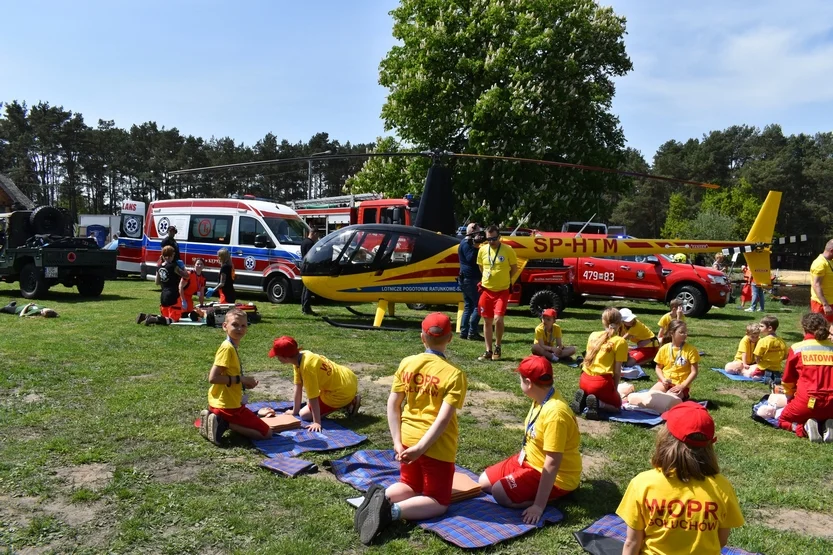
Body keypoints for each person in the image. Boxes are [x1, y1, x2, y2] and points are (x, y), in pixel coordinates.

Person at [353, 312, 467, 545]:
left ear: (422, 337)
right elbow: (443, 420)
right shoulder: (454, 375)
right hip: (436, 445)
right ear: (450, 338)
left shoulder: (407, 363)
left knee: (410, 485)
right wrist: (422, 448)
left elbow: (393, 404)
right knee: (438, 501)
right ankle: (389, 513)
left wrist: (397, 441)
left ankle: (381, 497)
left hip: (406, 437)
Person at [616, 402, 744, 554]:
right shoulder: (723, 487)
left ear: (665, 438)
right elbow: (721, 540)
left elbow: (632, 542)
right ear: (710, 445)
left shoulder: (643, 483)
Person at [479, 356, 581, 523]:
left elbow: (552, 463)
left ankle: (551, 497)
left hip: (555, 475)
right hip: (529, 459)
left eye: (520, 378)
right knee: (484, 481)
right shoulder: (540, 398)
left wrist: (539, 506)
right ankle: (528, 487)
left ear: (528, 382)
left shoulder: (555, 414)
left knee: (498, 492)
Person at [198, 308, 272, 445]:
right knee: (266, 433)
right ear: (224, 326)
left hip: (219, 403)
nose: (239, 329)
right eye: (235, 325)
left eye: (243, 325)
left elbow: (228, 375)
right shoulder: (227, 348)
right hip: (228, 407)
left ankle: (215, 419)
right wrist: (241, 379)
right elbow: (213, 378)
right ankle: (224, 423)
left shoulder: (231, 346)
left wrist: (244, 383)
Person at [268, 336, 361, 431]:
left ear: (285, 358)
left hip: (341, 392)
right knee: (304, 410)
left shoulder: (307, 369)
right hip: (348, 377)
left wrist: (316, 422)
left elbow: (313, 397)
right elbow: (298, 386)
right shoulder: (302, 355)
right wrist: (294, 411)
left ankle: (349, 402)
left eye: (277, 355)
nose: (276, 357)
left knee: (304, 415)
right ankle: (347, 399)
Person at [778, 312, 833, 442]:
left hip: (807, 402)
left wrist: (790, 396)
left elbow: (788, 379)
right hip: (831, 403)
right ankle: (825, 424)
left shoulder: (797, 348)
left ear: (804, 329)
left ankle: (803, 428)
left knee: (783, 420)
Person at [571, 307, 627, 420]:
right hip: (601, 383)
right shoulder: (620, 342)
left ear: (603, 321)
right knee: (617, 406)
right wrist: (614, 390)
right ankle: (597, 402)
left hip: (584, 379)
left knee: (594, 391)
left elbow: (587, 358)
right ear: (620, 323)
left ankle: (586, 397)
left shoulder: (593, 335)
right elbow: (617, 371)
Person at [476, 225, 518, 361]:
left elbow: (514, 268)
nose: (491, 241)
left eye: (494, 238)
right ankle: (488, 350)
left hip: (502, 291)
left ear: (499, 237)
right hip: (486, 290)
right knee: (487, 321)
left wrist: (505, 279)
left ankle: (498, 346)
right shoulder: (482, 250)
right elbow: (481, 267)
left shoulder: (508, 250)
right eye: (488, 239)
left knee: (498, 319)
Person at [137, 245, 189, 325]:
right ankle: (152, 319)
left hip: (164, 294)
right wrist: (183, 267)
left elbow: (157, 282)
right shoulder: (174, 266)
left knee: (165, 317)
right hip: (173, 294)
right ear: (173, 255)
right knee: (173, 320)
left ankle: (145, 316)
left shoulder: (159, 266)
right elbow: (186, 275)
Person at [652, 320, 699, 401]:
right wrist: (663, 379)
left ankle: (684, 396)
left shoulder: (691, 350)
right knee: (651, 397)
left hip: (680, 385)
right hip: (665, 382)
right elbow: (658, 368)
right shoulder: (664, 348)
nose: (685, 334)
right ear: (672, 333)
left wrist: (683, 386)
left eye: (685, 332)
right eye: (681, 332)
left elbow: (694, 372)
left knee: (667, 401)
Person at [458, 222, 485, 341]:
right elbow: (470, 258)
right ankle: (472, 332)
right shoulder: (466, 244)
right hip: (469, 279)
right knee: (478, 305)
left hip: (466, 279)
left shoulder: (465, 242)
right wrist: (476, 246)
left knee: (468, 306)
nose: (479, 236)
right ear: (472, 232)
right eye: (477, 233)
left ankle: (464, 331)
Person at [751, 315, 786, 379]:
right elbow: (785, 356)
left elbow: (757, 356)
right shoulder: (781, 341)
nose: (759, 328)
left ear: (769, 328)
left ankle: (760, 376)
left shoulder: (763, 341)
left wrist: (759, 363)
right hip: (776, 368)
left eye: (761, 326)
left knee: (749, 372)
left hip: (763, 367)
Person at [810, 239, 833, 331]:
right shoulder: (820, 263)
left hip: (831, 301)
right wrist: (825, 305)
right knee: (820, 329)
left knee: (830, 329)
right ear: (831, 250)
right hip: (821, 303)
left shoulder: (830, 261)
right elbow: (816, 285)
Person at [300, 228, 319, 315]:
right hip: (309, 268)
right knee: (308, 289)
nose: (317, 238)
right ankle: (307, 308)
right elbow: (311, 257)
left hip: (304, 267)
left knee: (305, 289)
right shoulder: (310, 243)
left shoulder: (304, 242)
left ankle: (304, 307)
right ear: (314, 233)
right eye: (317, 235)